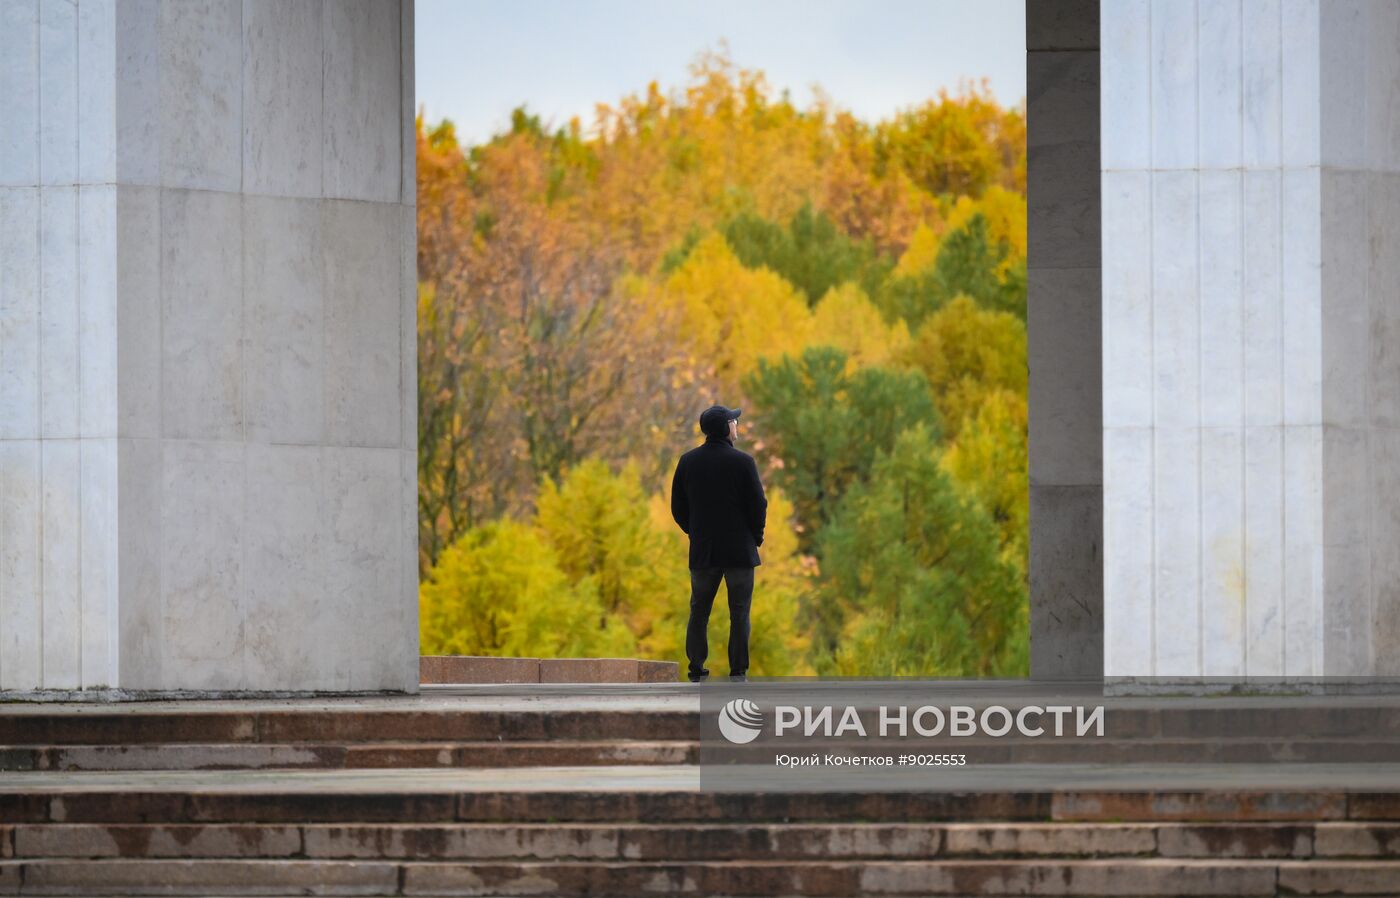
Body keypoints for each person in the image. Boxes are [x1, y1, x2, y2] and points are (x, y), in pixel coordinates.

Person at [670, 404, 767, 682]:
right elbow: (758, 505)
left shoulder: (687, 461)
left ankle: (696, 668)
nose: (737, 425)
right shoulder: (743, 462)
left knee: (699, 611)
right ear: (726, 428)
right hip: (739, 552)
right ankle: (738, 671)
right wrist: (755, 537)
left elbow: (678, 507)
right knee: (739, 614)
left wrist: (695, 532)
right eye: (734, 422)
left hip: (704, 552)